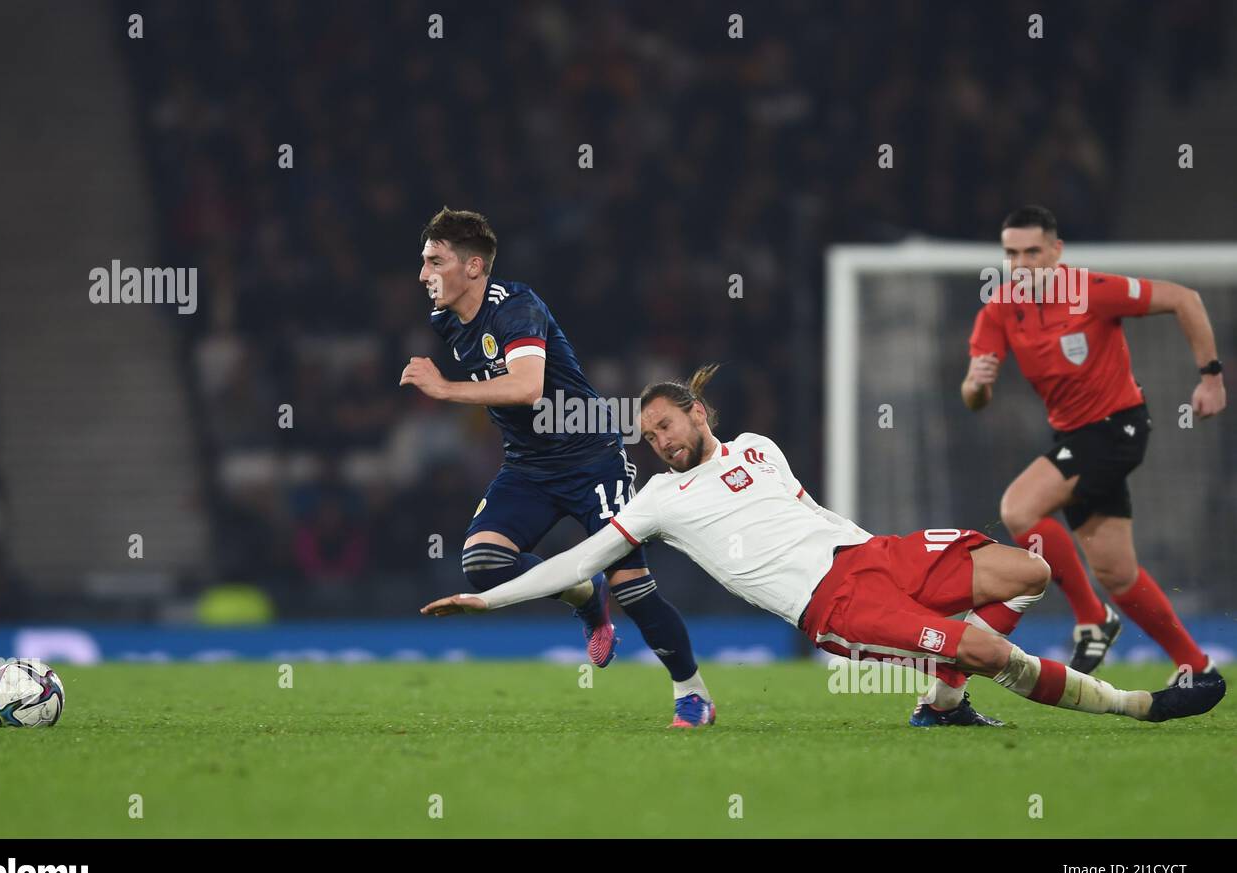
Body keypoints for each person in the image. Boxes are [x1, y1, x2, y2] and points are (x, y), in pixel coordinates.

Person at [422, 364, 1226, 728]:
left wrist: (891, 559)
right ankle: (1143, 707)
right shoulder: (658, 500)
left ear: (698, 416)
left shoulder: (760, 447)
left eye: (666, 426)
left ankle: (941, 703)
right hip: (833, 602)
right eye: (648, 436)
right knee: (985, 650)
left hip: (873, 555)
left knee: (1030, 571)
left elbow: (807, 513)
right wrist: (487, 595)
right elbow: (576, 562)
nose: (658, 442)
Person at [400, 208, 713, 727]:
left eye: (435, 260)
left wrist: (444, 388)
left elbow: (527, 387)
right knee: (482, 564)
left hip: (592, 460)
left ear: (474, 266)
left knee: (633, 585)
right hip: (527, 467)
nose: (423, 274)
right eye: (423, 261)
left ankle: (692, 693)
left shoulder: (517, 306)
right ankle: (586, 597)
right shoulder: (446, 322)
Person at [964, 205, 1225, 682]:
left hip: (1117, 427)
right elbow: (973, 398)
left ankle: (1091, 618)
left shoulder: (1092, 290)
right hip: (1072, 436)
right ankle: (1196, 665)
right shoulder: (1000, 310)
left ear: (1056, 251)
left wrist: (1211, 379)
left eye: (1032, 252)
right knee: (1118, 574)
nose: (1021, 263)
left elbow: (1184, 299)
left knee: (1019, 508)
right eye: (1011, 253)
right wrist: (978, 383)